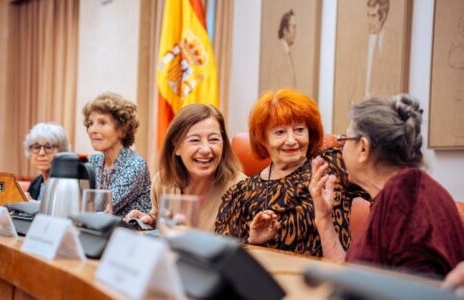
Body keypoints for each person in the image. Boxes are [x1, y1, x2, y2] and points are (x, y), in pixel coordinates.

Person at [310, 94, 464, 276]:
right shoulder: (400, 192)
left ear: (363, 148)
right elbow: (353, 275)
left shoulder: (406, 204)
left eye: (344, 140)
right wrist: (324, 218)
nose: (340, 148)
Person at [215, 89, 369, 256]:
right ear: (262, 139)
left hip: (326, 277)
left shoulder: (334, 164)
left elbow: (385, 188)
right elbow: (222, 258)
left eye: (299, 130)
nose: (291, 140)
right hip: (270, 280)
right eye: (280, 132)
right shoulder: (241, 194)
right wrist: (252, 241)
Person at [125, 104, 245, 232]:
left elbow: (251, 245)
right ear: (176, 147)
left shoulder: (241, 189)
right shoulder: (163, 181)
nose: (205, 149)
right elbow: (162, 224)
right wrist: (149, 220)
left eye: (213, 139)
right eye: (195, 140)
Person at [82, 92, 151, 216]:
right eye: (90, 123)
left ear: (122, 130)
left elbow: (101, 207)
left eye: (102, 122)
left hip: (130, 233)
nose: (92, 130)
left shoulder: (135, 165)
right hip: (97, 231)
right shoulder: (93, 161)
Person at [23, 122, 69, 200]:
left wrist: (32, 204)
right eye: (36, 147)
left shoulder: (67, 183)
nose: (41, 153)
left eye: (48, 147)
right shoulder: (35, 182)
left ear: (62, 151)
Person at [278, 9, 297, 88]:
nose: (295, 31)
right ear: (285, 30)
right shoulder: (278, 53)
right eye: (293, 27)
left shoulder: (286, 52)